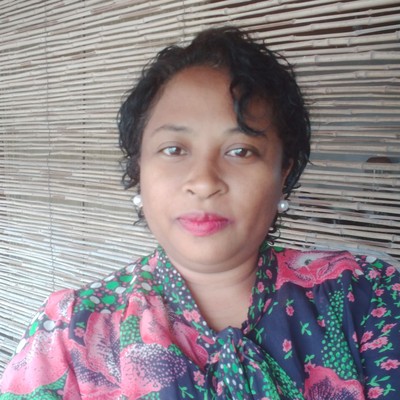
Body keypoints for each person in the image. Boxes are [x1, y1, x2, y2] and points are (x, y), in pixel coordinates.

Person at [0, 26, 399, 400]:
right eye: (174, 149)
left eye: (240, 151)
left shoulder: (367, 296)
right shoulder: (70, 333)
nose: (205, 181)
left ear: (284, 173)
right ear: (139, 170)